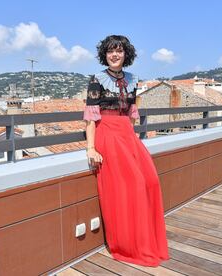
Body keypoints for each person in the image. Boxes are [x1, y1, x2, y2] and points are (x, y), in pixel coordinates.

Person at [83, 35, 170, 267]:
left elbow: (131, 112)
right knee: (134, 183)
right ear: (105, 54)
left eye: (119, 51)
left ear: (126, 54)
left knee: (150, 181)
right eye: (110, 51)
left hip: (126, 135)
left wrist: (131, 139)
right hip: (107, 134)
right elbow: (91, 117)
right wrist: (91, 147)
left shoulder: (132, 80)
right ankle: (128, 245)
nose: (114, 55)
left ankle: (147, 240)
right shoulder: (97, 79)